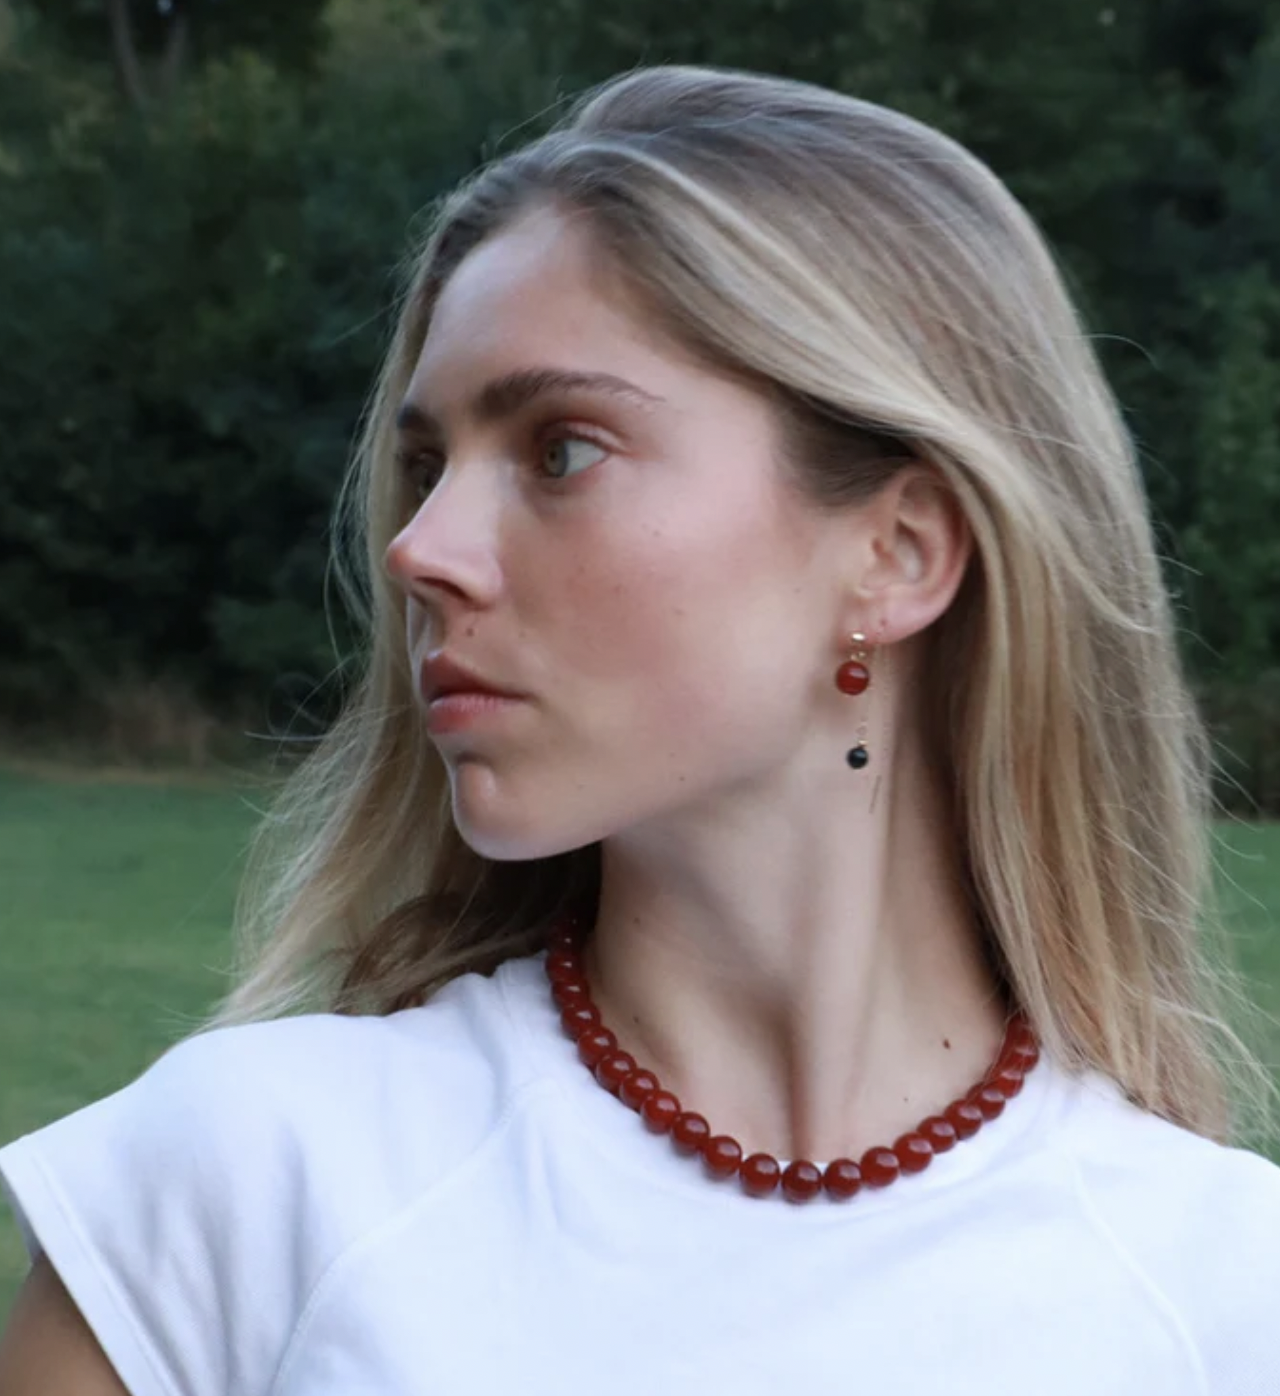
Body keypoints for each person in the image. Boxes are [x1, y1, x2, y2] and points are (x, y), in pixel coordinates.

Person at [2, 63, 1278, 1395]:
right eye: (427, 466)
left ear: (897, 553)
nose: (418, 549)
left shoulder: (1224, 1299)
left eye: (561, 450)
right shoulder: (239, 1200)